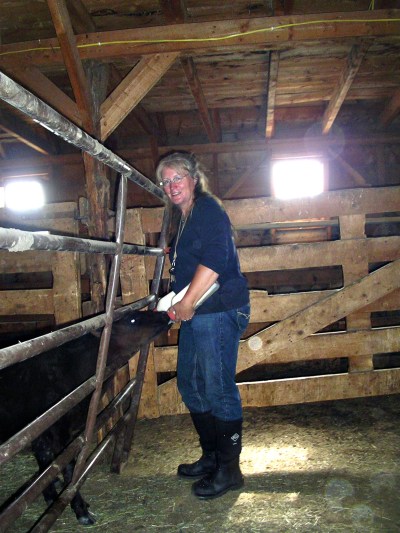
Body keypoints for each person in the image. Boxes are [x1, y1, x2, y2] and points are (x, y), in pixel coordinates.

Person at [156, 151, 250, 499]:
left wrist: (185, 303)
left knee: (217, 387)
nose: (171, 186)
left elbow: (215, 260)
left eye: (177, 178)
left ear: (193, 178)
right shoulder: (184, 218)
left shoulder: (208, 208)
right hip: (199, 310)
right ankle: (212, 457)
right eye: (165, 181)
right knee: (190, 384)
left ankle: (230, 469)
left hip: (220, 308)